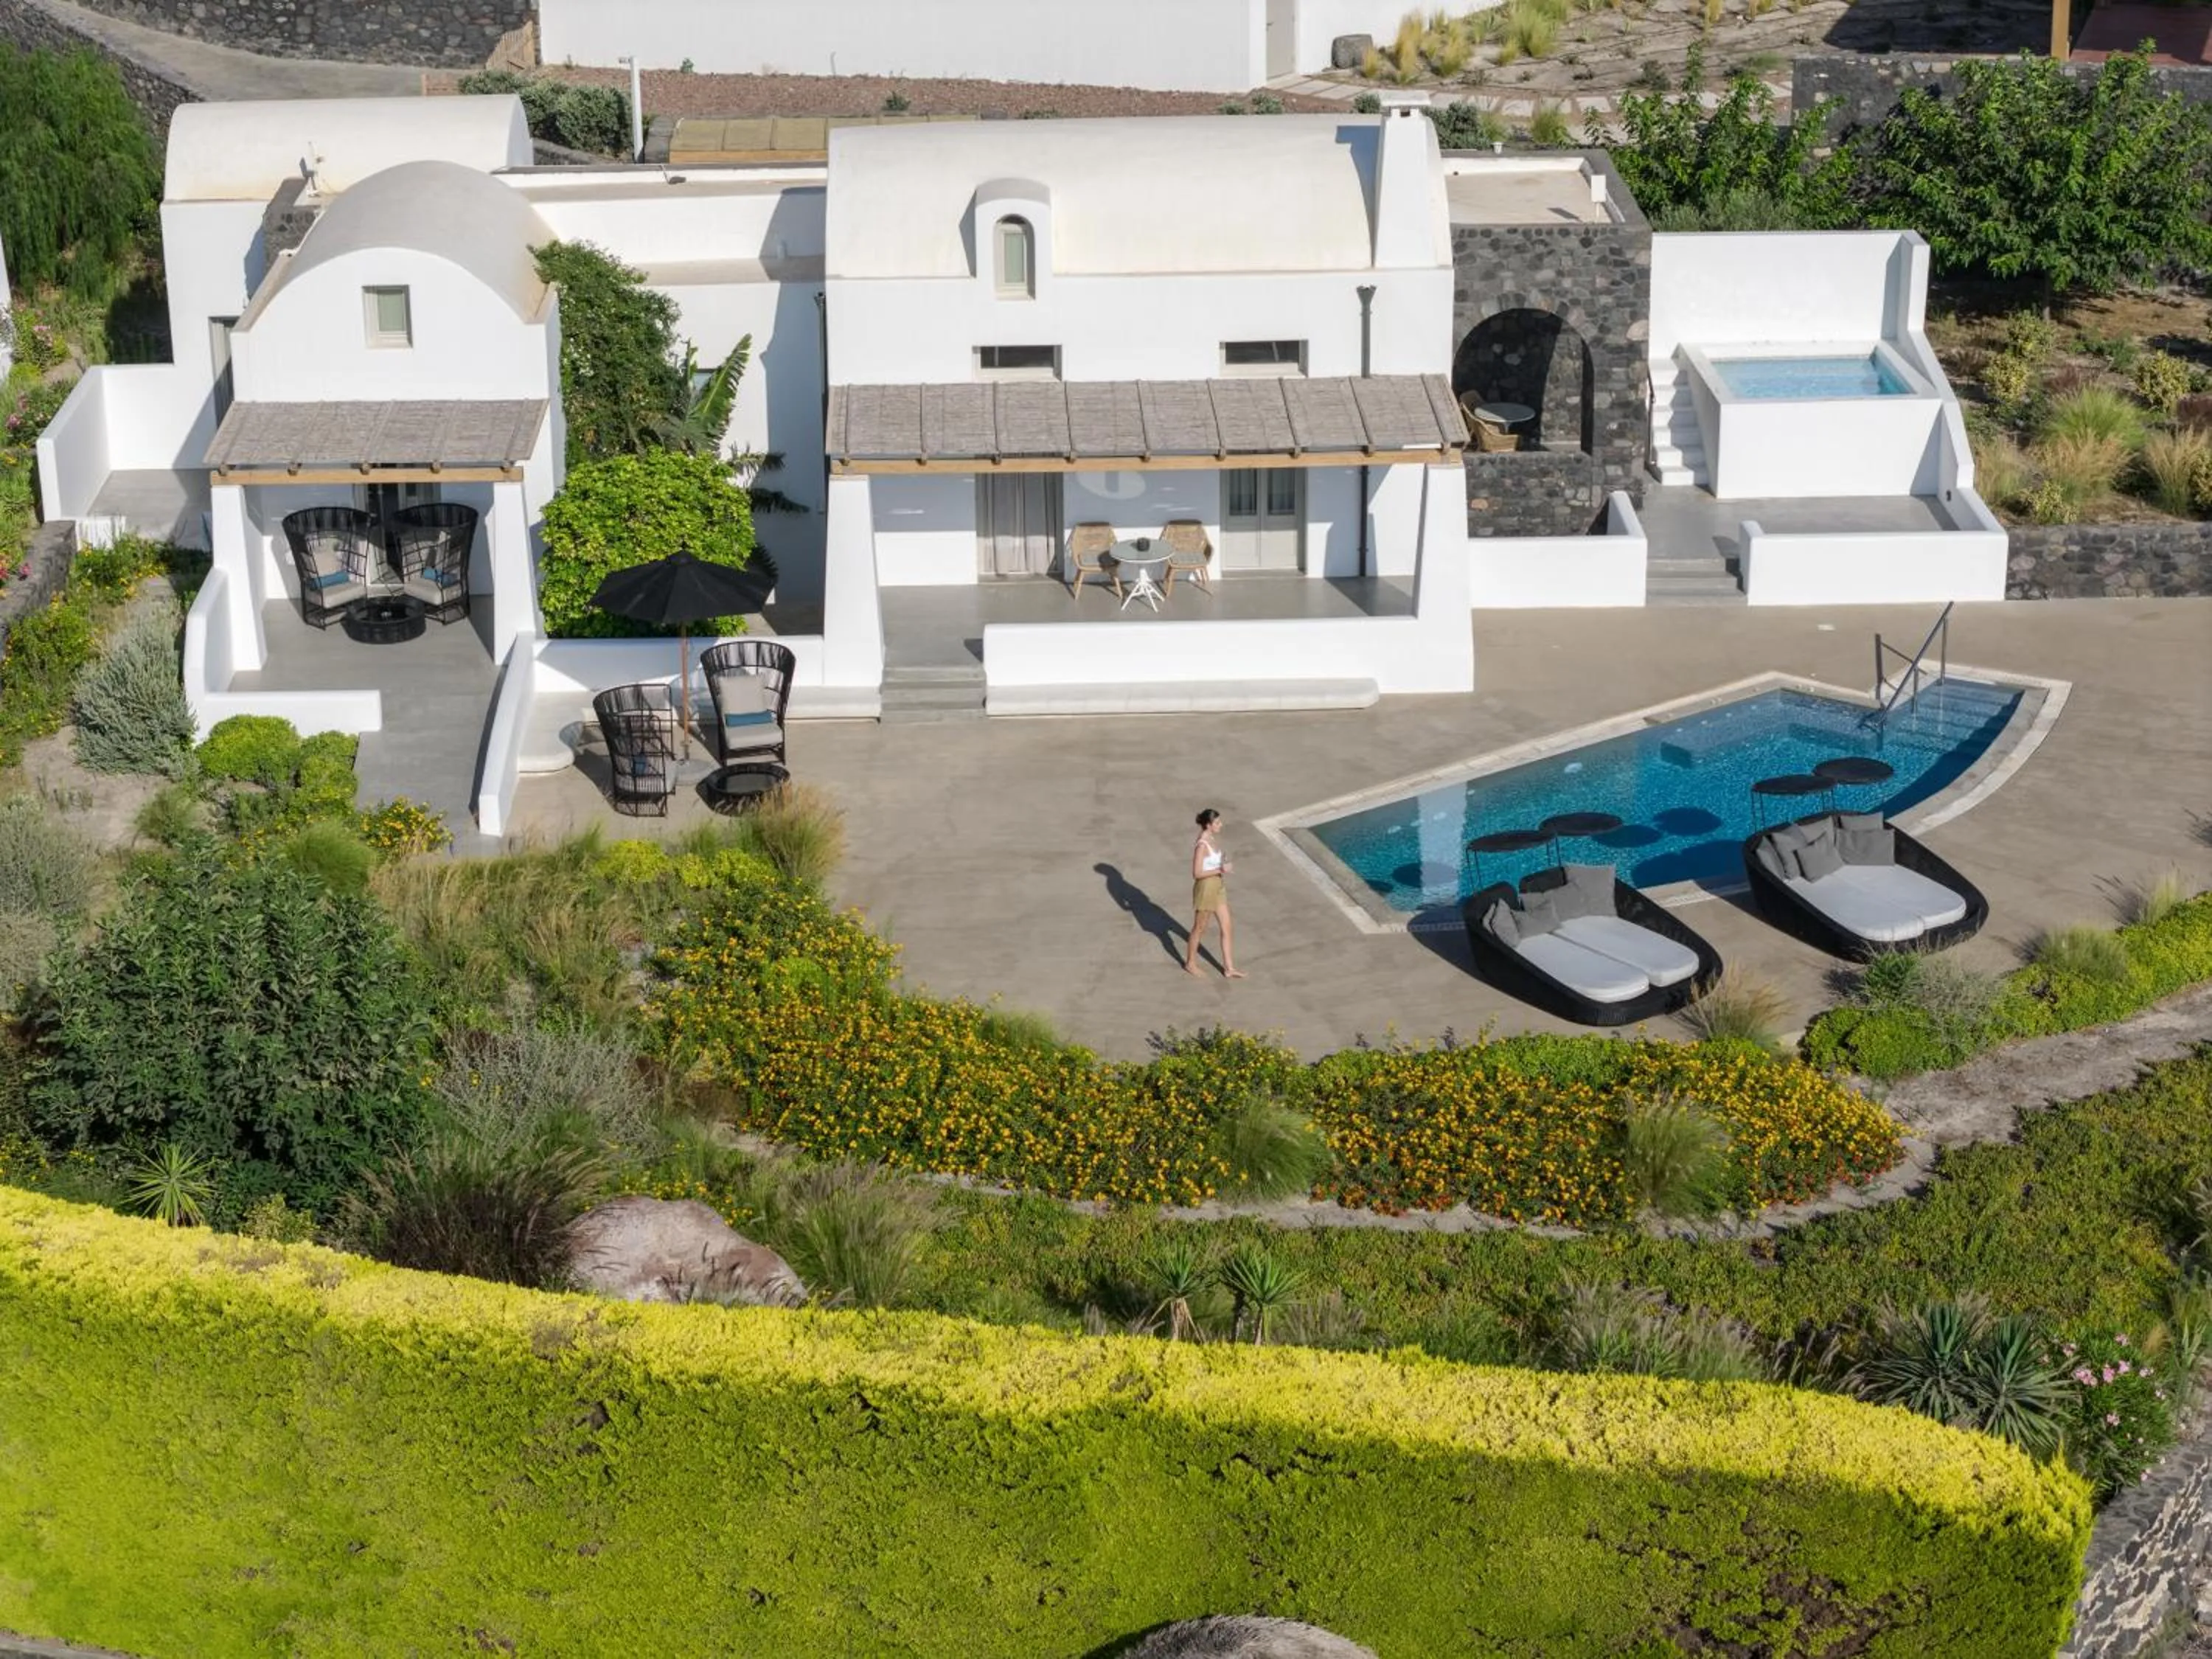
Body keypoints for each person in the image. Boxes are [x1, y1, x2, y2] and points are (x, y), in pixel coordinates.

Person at [1183, 807, 1245, 978]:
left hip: (1218, 886)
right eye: (1217, 822)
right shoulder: (1202, 845)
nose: (1221, 825)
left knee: (1227, 927)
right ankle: (1190, 963)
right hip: (1206, 888)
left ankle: (1229, 968)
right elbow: (1196, 873)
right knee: (1200, 927)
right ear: (1208, 825)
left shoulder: (1212, 838)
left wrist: (1222, 864)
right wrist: (1221, 869)